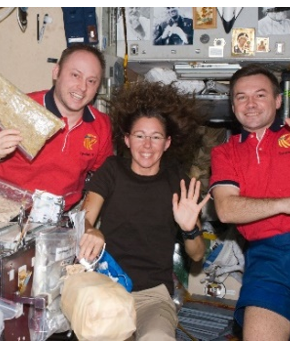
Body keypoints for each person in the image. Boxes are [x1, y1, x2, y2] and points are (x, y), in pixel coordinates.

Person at [77, 81, 210, 341]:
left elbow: (197, 255)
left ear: (167, 143)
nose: (147, 145)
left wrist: (189, 228)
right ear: (127, 139)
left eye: (156, 137)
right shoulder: (112, 170)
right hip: (106, 289)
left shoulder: (178, 182)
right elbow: (84, 219)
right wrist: (92, 231)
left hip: (153, 297)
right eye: (139, 135)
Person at [209, 65, 290, 340]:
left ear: (278, 101)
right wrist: (285, 204)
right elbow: (226, 209)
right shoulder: (224, 152)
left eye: (260, 95)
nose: (250, 104)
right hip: (265, 261)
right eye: (241, 97)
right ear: (233, 106)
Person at [0, 44, 114, 211]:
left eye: (91, 81)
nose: (82, 87)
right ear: (56, 72)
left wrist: (87, 223)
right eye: (75, 75)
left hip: (60, 219)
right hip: (3, 213)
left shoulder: (101, 125)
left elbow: (103, 181)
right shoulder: (20, 109)